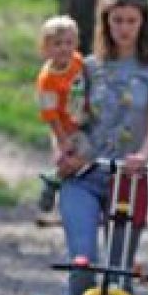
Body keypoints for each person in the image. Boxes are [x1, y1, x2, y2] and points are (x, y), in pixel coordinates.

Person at [56, 0, 148, 295]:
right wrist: (64, 150)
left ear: (143, 23)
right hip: (86, 174)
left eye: (131, 21)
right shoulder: (89, 67)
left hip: (128, 179)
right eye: (116, 20)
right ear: (105, 23)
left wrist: (143, 157)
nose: (123, 28)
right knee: (84, 260)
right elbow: (69, 118)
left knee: (118, 267)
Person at [33, 15, 88, 227]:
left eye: (69, 43)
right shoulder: (47, 79)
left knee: (87, 158)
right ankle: (53, 182)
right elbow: (50, 115)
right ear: (45, 48)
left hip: (83, 121)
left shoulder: (77, 61)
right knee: (67, 159)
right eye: (57, 44)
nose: (64, 49)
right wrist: (62, 138)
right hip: (63, 127)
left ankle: (74, 200)